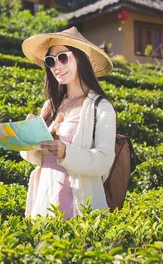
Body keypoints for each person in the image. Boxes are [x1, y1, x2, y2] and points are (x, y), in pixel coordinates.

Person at [20, 26, 116, 219]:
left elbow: (104, 161)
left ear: (82, 59)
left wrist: (66, 152)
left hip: (78, 200)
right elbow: (35, 158)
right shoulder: (50, 106)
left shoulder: (100, 106)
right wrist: (26, 136)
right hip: (45, 195)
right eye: (51, 61)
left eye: (63, 57)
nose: (57, 66)